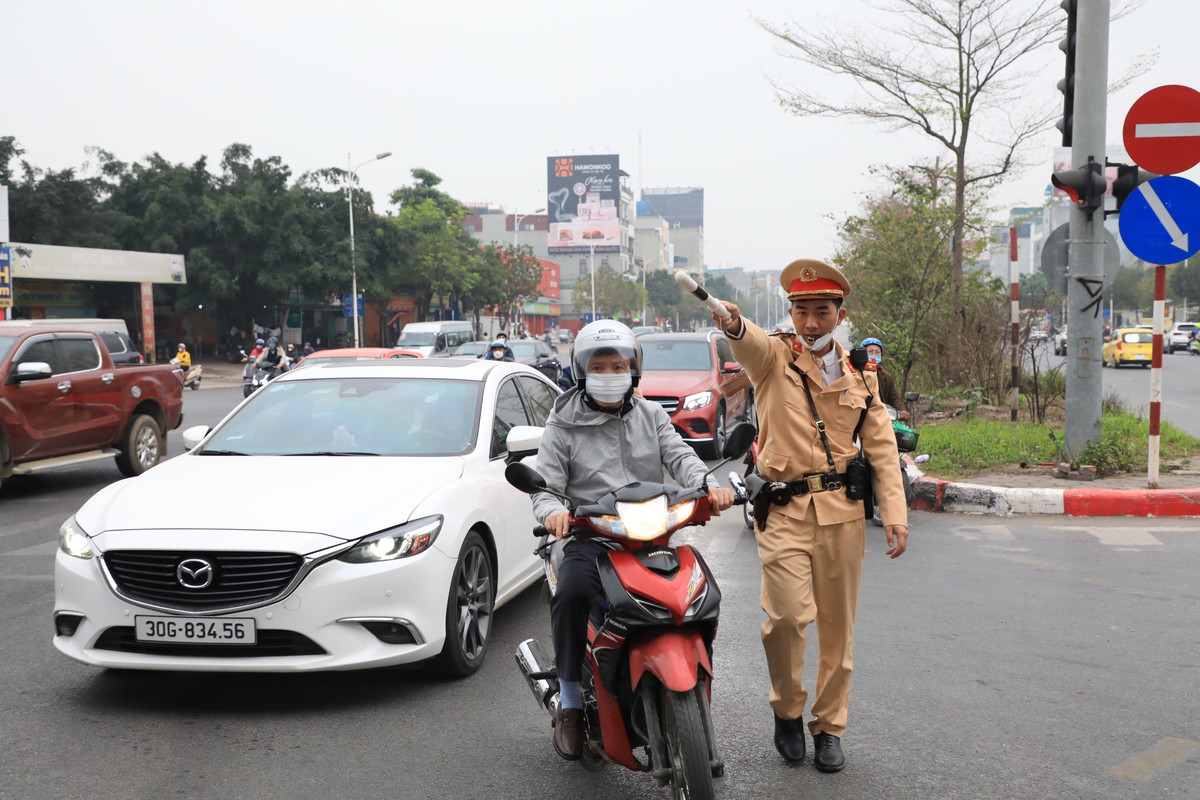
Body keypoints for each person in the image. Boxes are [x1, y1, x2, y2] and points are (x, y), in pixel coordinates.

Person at [710, 258, 908, 773]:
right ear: (791, 313)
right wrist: (734, 323)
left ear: (840, 314)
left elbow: (882, 449)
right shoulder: (774, 358)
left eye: (822, 312)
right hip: (784, 509)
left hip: (841, 514)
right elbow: (747, 340)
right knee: (787, 620)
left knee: (838, 630)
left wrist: (895, 514)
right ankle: (787, 710)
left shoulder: (861, 376)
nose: (811, 323)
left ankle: (829, 726)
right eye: (801, 311)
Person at [530, 319, 735, 761]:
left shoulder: (650, 414)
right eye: (599, 365)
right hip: (592, 535)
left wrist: (707, 485)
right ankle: (569, 700)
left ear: (633, 369)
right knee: (569, 593)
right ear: (582, 371)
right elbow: (545, 485)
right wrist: (554, 514)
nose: (609, 373)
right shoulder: (563, 423)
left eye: (618, 364)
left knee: (697, 592)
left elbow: (680, 456)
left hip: (650, 533)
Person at [859, 337, 909, 421]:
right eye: (870, 352)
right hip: (861, 416)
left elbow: (894, 398)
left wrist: (902, 411)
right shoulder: (856, 374)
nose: (874, 355)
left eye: (877, 352)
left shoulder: (887, 377)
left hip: (882, 417)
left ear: (881, 355)